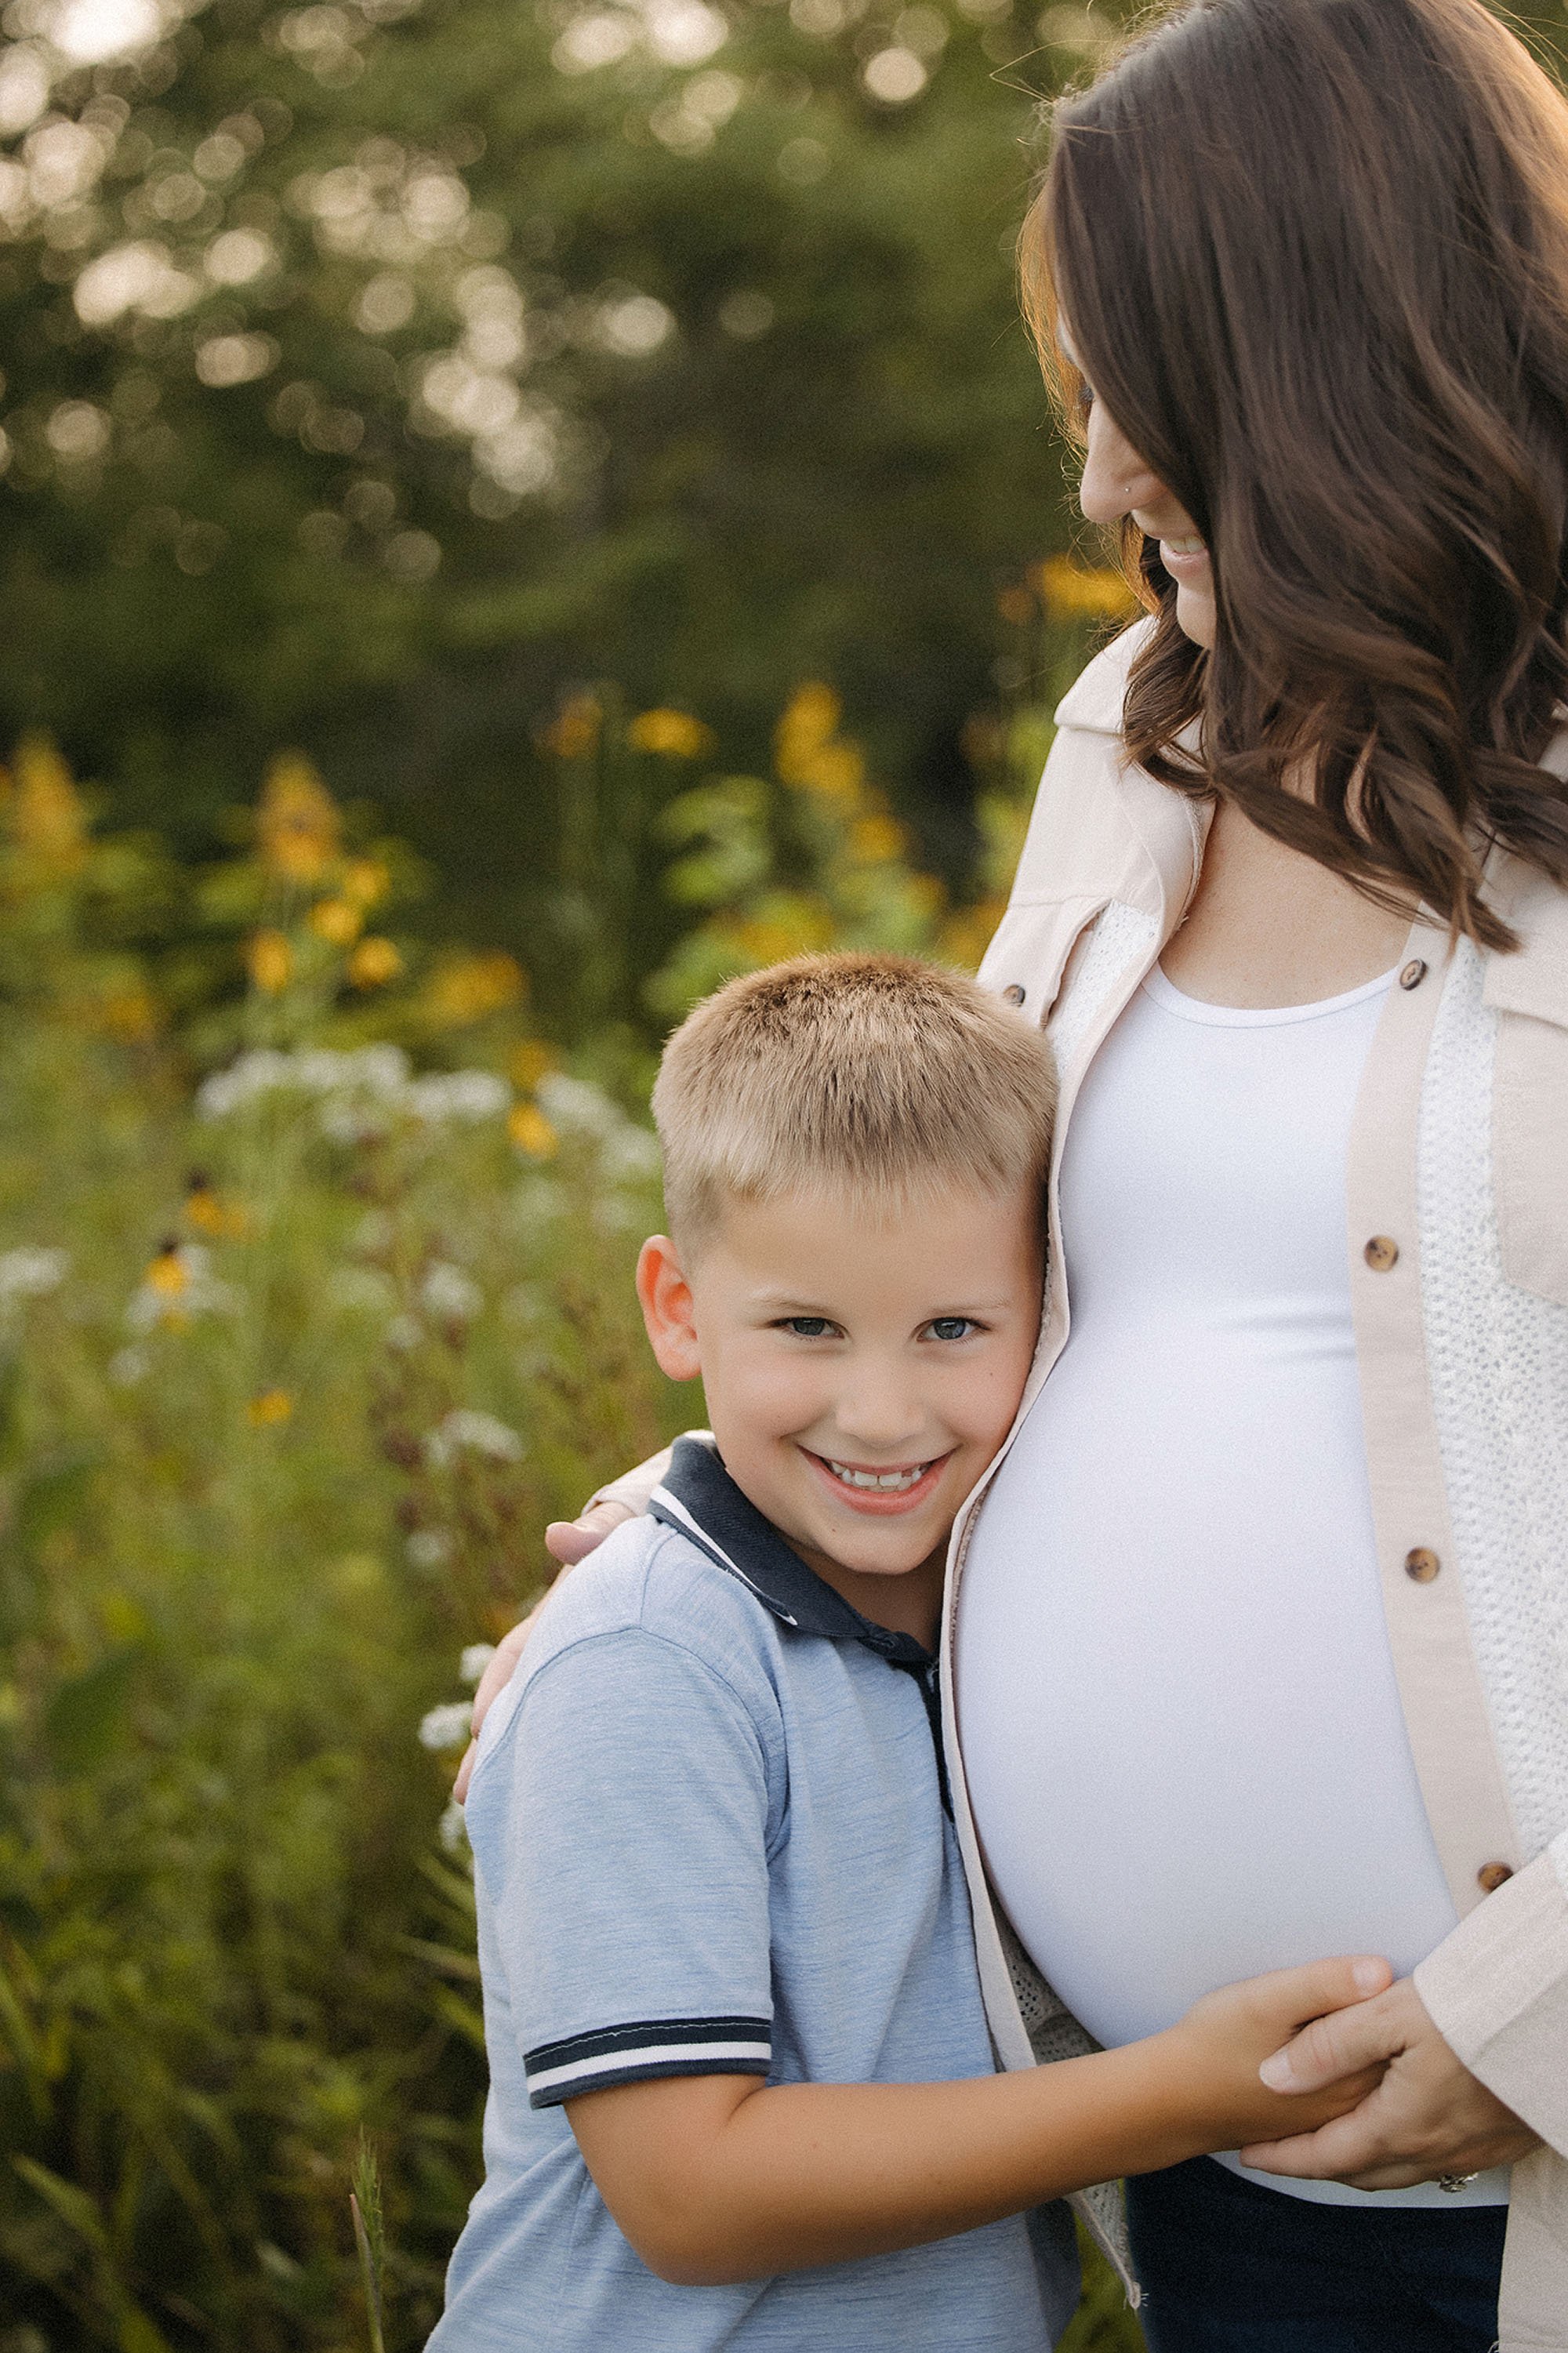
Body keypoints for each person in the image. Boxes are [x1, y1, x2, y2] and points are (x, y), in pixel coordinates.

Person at [464, 2, 1568, 2345]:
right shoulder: (1133, 741)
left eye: (1113, 376)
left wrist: (1537, 2011)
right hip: (1214, 2181)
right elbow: (964, 1254)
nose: (1084, 472)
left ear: (1301, 332)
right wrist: (727, 1541)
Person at [428, 953, 1391, 2351]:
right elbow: (689, 2192)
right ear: (678, 1307)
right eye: (807, 1327)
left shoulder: (998, 1596)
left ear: (1047, 1316)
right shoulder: (647, 1663)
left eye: (951, 1329)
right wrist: (1190, 2089)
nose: (880, 1415)